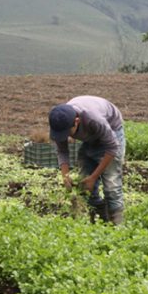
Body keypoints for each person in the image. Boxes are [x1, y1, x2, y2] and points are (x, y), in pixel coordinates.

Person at [48, 96, 125, 225]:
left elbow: (112, 148)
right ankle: (99, 218)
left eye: (67, 133)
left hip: (112, 131)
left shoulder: (94, 119)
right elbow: (62, 150)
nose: (65, 136)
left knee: (111, 185)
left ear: (77, 121)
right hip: (90, 135)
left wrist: (94, 177)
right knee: (85, 185)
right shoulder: (60, 121)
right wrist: (65, 176)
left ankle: (118, 226)